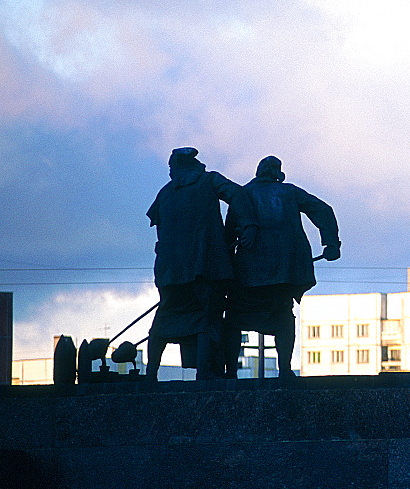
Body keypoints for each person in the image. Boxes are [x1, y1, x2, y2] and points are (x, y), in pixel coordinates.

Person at [224, 156, 340, 378]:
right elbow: (323, 210)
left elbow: (229, 235)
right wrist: (331, 244)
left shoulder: (242, 195)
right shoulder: (289, 192)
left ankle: (231, 372)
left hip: (250, 273)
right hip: (285, 272)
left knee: (234, 319)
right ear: (278, 173)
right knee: (283, 316)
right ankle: (285, 369)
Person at [145, 147, 255, 380]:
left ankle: (150, 373)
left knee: (165, 319)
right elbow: (238, 195)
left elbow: (158, 227)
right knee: (208, 318)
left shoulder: (165, 193)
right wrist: (246, 226)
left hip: (170, 272)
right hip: (206, 267)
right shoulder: (209, 181)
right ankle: (205, 373)